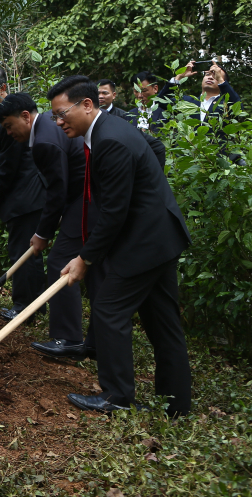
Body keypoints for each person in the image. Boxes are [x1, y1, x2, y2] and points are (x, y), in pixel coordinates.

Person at [49, 75, 191, 416]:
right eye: (54, 115)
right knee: (163, 324)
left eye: (62, 113)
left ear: (86, 105)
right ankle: (176, 406)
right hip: (161, 237)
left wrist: (85, 258)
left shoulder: (110, 140)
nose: (58, 121)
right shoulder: (111, 129)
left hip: (144, 243)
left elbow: (113, 211)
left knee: (110, 310)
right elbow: (151, 155)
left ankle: (116, 398)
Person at [0, 93, 88, 358]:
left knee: (59, 262)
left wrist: (42, 233)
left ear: (26, 116)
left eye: (10, 126)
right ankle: (89, 340)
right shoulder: (46, 126)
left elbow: (57, 189)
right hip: (82, 198)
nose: (9, 133)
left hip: (86, 199)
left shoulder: (45, 140)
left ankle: (68, 339)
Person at [0, 66, 47, 322]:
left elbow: (8, 168)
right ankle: (32, 306)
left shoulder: (16, 120)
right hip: (20, 197)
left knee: (23, 254)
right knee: (24, 253)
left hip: (25, 197)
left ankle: (25, 308)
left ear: (2, 88)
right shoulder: (3, 117)